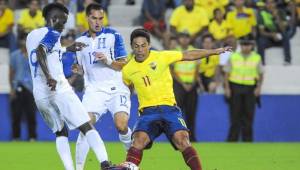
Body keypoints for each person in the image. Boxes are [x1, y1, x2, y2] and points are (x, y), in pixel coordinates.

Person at [119, 28, 231, 170]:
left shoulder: (162, 56)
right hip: (147, 112)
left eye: (143, 45)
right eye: (136, 46)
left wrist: (214, 51)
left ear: (149, 45)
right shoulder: (127, 69)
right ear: (132, 46)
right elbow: (125, 91)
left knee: (182, 140)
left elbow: (188, 55)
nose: (140, 49)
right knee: (138, 141)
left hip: (170, 109)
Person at [26, 3, 112, 170]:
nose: (63, 26)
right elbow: (41, 52)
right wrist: (50, 77)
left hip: (40, 94)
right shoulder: (53, 33)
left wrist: (67, 49)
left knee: (61, 132)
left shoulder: (32, 35)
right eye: (63, 21)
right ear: (54, 19)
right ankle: (105, 164)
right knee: (86, 125)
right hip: (57, 87)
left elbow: (46, 51)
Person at [75, 3, 132, 170]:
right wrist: (78, 71)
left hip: (117, 88)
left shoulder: (114, 35)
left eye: (101, 18)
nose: (98, 22)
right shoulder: (80, 41)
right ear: (87, 18)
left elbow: (123, 64)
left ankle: (133, 161)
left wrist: (107, 60)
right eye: (94, 18)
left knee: (121, 126)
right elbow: (82, 69)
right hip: (94, 90)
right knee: (85, 125)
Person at [224, 35, 264, 142]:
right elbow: (226, 74)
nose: (246, 47)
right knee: (235, 115)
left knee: (248, 115)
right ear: (240, 46)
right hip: (235, 87)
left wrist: (259, 88)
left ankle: (248, 140)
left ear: (252, 46)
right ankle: (232, 140)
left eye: (248, 45)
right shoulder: (233, 57)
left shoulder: (257, 57)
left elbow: (261, 74)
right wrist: (227, 88)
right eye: (244, 45)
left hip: (250, 88)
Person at [171, 31, 199, 142]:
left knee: (191, 112)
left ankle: (191, 138)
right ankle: (177, 137)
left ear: (189, 39)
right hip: (179, 85)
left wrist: (192, 83)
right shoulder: (175, 52)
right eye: (182, 37)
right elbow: (172, 71)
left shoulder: (195, 51)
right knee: (177, 113)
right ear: (179, 39)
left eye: (186, 37)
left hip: (192, 86)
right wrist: (183, 84)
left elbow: (197, 70)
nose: (184, 40)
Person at [9, 33, 37, 141]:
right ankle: (16, 137)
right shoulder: (14, 55)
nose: (24, 42)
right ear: (20, 42)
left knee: (31, 114)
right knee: (16, 114)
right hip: (17, 86)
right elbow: (11, 72)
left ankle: (32, 137)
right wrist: (11, 88)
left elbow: (37, 73)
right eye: (23, 40)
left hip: (31, 88)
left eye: (26, 40)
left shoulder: (34, 55)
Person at [256, 0, 291, 65]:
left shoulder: (281, 12)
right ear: (265, 4)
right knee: (260, 40)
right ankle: (261, 63)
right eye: (268, 3)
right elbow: (261, 32)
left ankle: (287, 60)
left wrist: (277, 17)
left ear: (275, 4)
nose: (270, 5)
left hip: (280, 37)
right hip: (268, 38)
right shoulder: (262, 13)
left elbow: (283, 29)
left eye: (272, 2)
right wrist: (272, 35)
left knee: (285, 35)